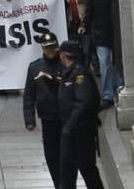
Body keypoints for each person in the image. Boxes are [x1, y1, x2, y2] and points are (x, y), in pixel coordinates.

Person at [58, 40, 104, 189]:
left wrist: (69, 125)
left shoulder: (79, 74)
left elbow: (83, 101)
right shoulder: (69, 72)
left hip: (81, 130)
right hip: (72, 130)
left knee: (86, 167)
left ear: (63, 55)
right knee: (67, 169)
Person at [23, 31, 62, 189]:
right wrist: (29, 119)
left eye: (52, 47)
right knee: (52, 155)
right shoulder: (35, 67)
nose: (50, 51)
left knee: (66, 154)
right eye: (47, 48)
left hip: (65, 116)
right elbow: (29, 96)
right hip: (47, 117)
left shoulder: (64, 63)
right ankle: (58, 184)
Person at [79, 0, 119, 109]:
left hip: (115, 31)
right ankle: (107, 95)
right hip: (101, 31)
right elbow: (90, 9)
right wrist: (84, 25)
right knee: (104, 63)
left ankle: (117, 88)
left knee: (116, 62)